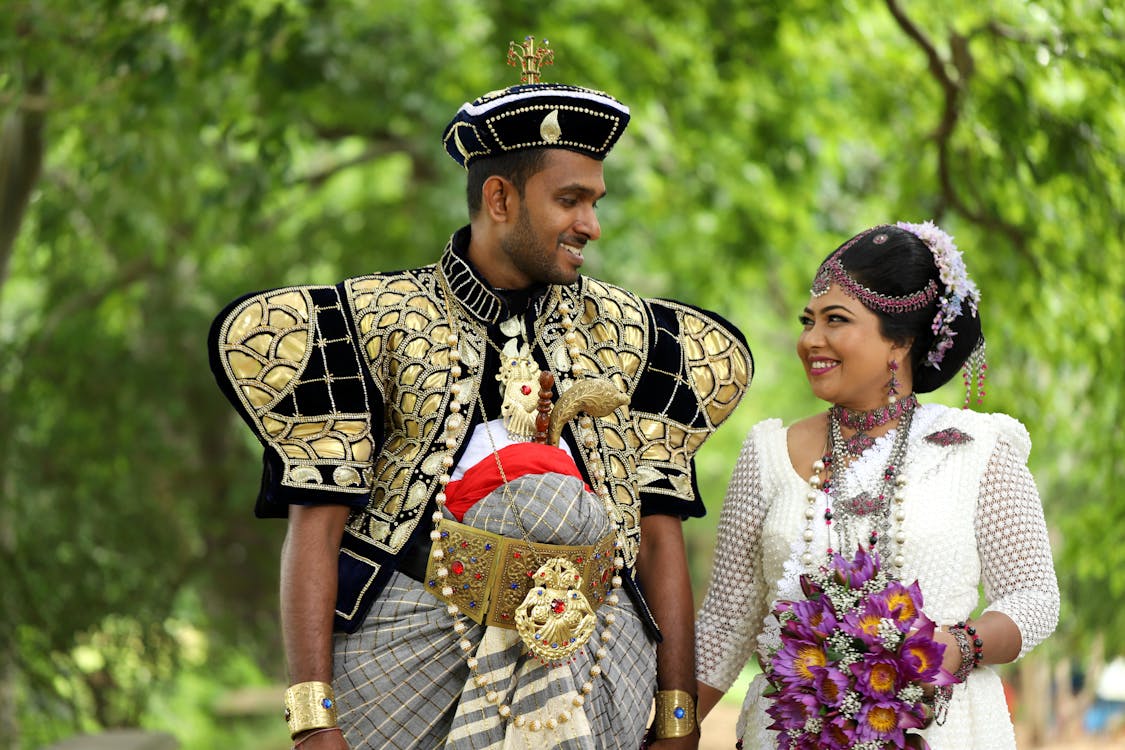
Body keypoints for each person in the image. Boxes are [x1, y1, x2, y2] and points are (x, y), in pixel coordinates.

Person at [208, 37, 752, 750]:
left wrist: (678, 720)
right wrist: (313, 721)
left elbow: (657, 535)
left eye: (593, 201)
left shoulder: (633, 336)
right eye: (569, 200)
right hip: (396, 672)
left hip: (596, 668)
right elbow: (316, 529)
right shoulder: (368, 323)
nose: (590, 224)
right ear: (499, 198)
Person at [693, 221, 1059, 749]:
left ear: (901, 342)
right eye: (808, 321)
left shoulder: (977, 448)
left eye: (835, 320)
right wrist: (673, 729)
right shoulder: (768, 453)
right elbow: (725, 627)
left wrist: (956, 646)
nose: (810, 340)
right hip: (790, 734)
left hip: (942, 729)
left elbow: (1034, 596)